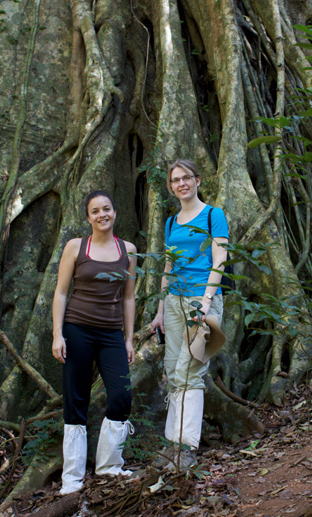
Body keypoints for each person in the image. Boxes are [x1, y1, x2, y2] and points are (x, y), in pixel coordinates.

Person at [52, 191, 137, 495]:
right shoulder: (76, 247)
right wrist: (57, 334)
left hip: (111, 333)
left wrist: (129, 338)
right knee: (76, 399)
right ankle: (72, 477)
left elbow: (129, 296)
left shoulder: (128, 250)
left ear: (115, 212)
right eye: (95, 211)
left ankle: (109, 467)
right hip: (77, 330)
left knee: (121, 395)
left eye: (107, 209)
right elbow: (61, 292)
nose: (102, 215)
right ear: (88, 217)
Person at [149, 159, 229, 469]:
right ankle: (172, 445)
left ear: (197, 180)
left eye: (186, 178)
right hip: (173, 301)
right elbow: (168, 266)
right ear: (170, 187)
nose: (181, 184)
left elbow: (220, 258)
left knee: (191, 369)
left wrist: (206, 302)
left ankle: (186, 448)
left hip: (202, 299)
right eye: (175, 180)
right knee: (173, 370)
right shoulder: (171, 223)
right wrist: (160, 309)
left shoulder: (213, 215)